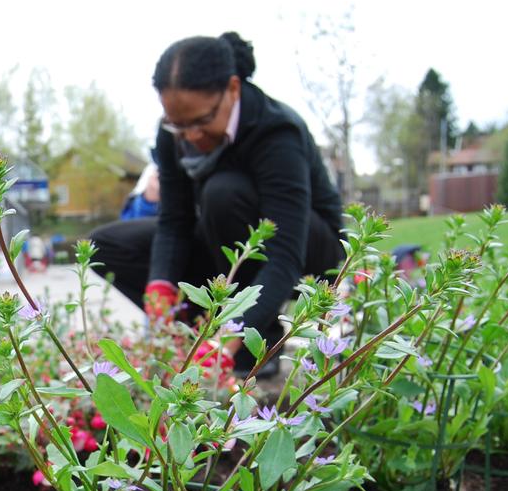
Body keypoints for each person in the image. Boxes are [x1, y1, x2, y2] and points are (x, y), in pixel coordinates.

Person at [90, 32, 344, 376]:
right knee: (104, 246)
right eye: (179, 125)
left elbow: (286, 254)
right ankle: (197, 337)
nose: (191, 136)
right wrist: (160, 289)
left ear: (233, 90)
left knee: (223, 192)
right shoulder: (174, 133)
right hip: (221, 241)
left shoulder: (277, 131)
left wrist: (234, 332)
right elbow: (174, 222)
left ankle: (253, 337)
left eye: (201, 121)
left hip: (306, 251)